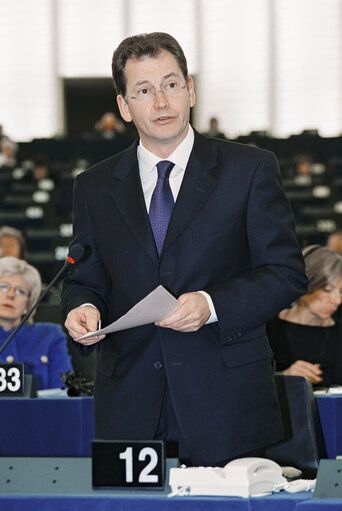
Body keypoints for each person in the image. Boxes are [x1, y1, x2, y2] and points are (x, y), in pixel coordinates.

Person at [61, 32, 307, 466]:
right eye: (143, 90)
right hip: (130, 407)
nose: (160, 102)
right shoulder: (94, 186)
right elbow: (87, 277)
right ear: (123, 106)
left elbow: (285, 272)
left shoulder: (249, 169)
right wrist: (80, 306)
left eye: (171, 85)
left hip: (226, 403)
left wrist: (212, 304)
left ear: (190, 90)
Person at [267, 245, 342, 387]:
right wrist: (284, 377)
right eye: (327, 290)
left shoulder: (338, 334)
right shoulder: (267, 329)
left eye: (341, 292)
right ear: (306, 283)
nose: (337, 300)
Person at [0, 257, 72, 390]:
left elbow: (61, 391)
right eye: (4, 287)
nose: (10, 295)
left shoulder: (50, 335)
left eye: (20, 291)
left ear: (28, 305)